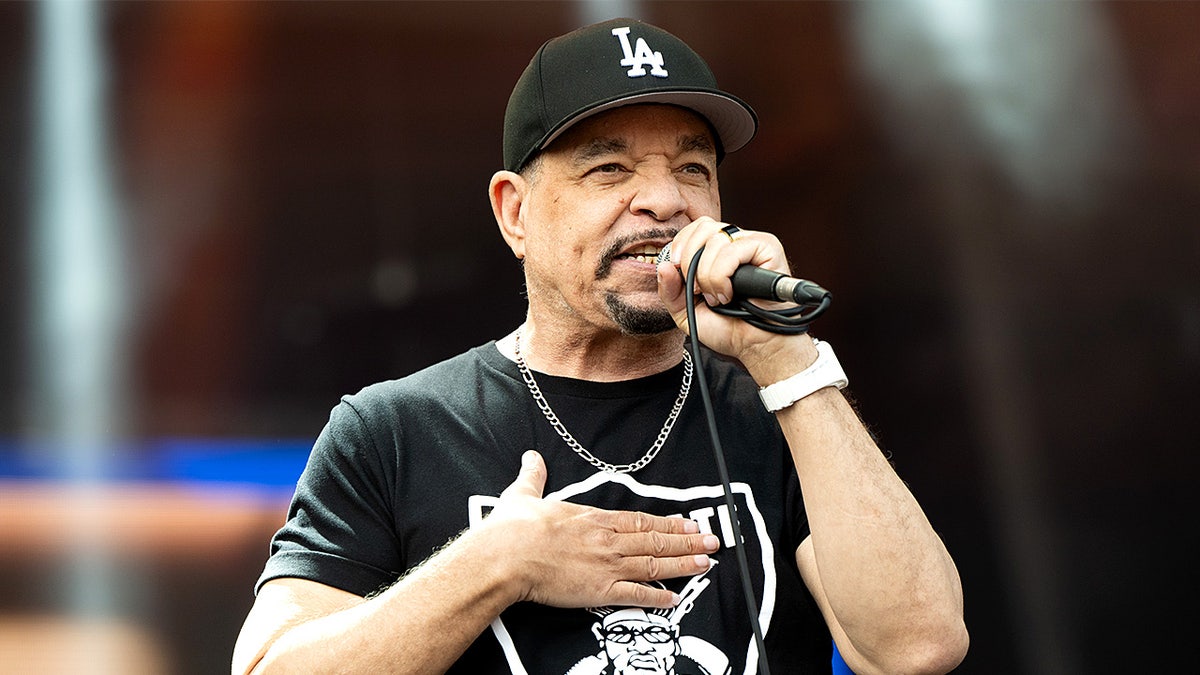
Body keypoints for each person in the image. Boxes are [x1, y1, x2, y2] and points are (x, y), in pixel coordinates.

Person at [232, 18, 967, 675]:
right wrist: (495, 564)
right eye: (609, 169)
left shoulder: (787, 415)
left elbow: (917, 649)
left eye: (692, 169)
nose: (665, 200)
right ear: (515, 212)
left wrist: (786, 361)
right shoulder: (393, 431)